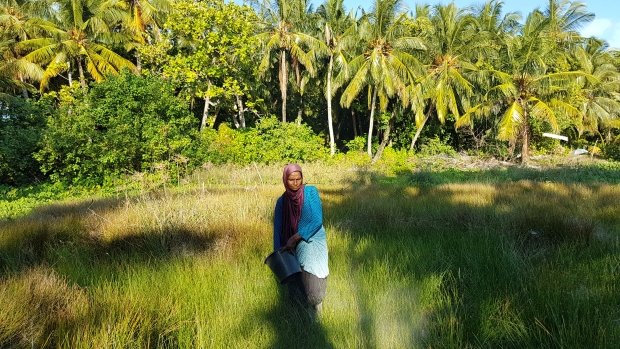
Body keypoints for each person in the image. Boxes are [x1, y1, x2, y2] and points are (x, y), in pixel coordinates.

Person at [273, 163, 328, 314]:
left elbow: (316, 220)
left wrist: (296, 237)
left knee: (313, 278)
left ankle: (317, 315)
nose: (296, 183)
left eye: (299, 178)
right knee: (296, 280)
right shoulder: (282, 201)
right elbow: (277, 228)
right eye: (291, 179)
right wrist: (278, 253)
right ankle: (301, 317)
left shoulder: (310, 192)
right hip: (290, 244)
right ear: (285, 180)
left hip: (312, 240)